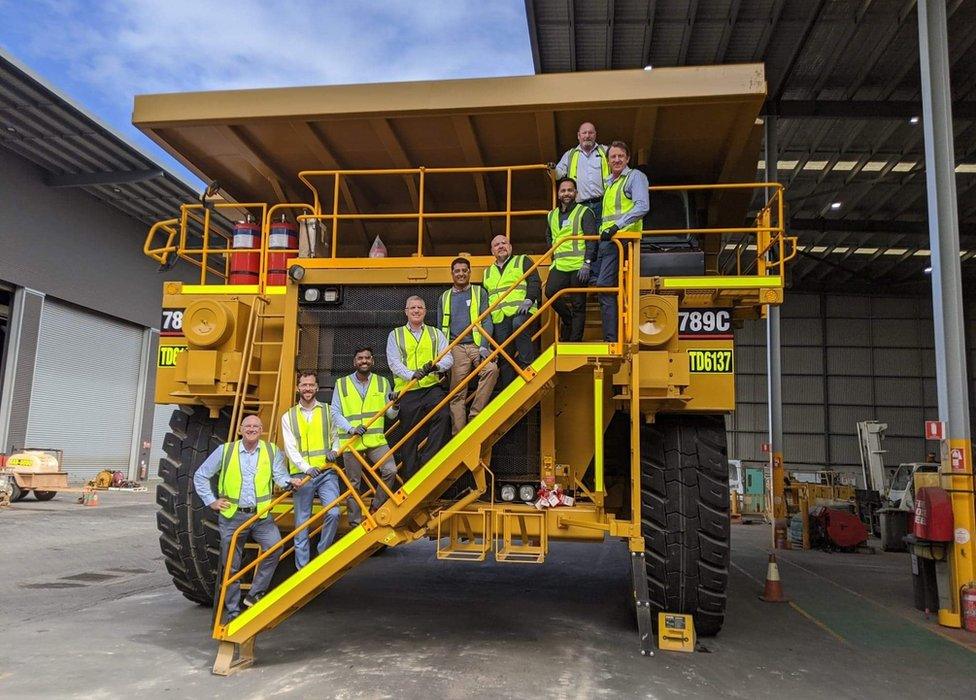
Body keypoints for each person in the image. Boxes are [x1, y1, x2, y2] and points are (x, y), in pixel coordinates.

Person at [192, 414, 290, 622]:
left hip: (261, 515)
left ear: (261, 430)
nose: (252, 429)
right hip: (232, 516)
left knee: (275, 547)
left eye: (256, 426)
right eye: (248, 426)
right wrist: (211, 501)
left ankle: (255, 593)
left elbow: (280, 477)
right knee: (231, 565)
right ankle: (233, 611)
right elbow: (201, 475)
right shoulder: (225, 451)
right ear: (240, 429)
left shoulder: (272, 451)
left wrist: (291, 481)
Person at [386, 296, 454, 480]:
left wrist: (437, 367)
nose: (416, 310)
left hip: (431, 386)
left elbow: (448, 358)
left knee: (444, 415)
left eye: (420, 307)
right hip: (408, 390)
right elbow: (393, 362)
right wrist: (411, 375)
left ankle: (427, 462)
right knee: (409, 434)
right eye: (412, 308)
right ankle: (410, 475)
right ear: (406, 311)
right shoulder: (395, 334)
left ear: (425, 311)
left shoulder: (436, 334)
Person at [331, 346, 400, 524]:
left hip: (375, 440)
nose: (364, 361)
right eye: (360, 358)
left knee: (390, 470)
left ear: (373, 361)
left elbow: (390, 415)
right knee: (353, 484)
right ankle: (355, 523)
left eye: (367, 358)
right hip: (351, 441)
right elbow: (335, 413)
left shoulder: (382, 382)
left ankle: (376, 507)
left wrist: (395, 404)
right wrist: (351, 429)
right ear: (355, 362)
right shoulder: (342, 383)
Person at [280, 371, 341, 570]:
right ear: (298, 388)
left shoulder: (328, 411)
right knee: (302, 523)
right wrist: (306, 469)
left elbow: (336, 436)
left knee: (333, 512)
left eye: (311, 385)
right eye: (304, 385)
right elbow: (290, 449)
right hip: (301, 475)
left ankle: (322, 554)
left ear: (317, 388)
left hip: (326, 472)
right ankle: (303, 569)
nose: (307, 389)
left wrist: (334, 450)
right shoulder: (288, 416)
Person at [596, 140, 649, 342]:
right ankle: (612, 335)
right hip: (609, 241)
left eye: (620, 156)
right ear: (608, 161)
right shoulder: (610, 183)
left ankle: (612, 339)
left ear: (627, 158)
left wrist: (617, 226)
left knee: (605, 286)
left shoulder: (635, 177)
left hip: (623, 240)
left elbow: (642, 206)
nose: (617, 160)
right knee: (601, 285)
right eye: (613, 157)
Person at [438, 257, 499, 433]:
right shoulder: (445, 297)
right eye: (457, 271)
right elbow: (441, 325)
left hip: (476, 345)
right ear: (452, 274)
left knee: (491, 370)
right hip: (455, 347)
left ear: (469, 272)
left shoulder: (479, 292)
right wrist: (444, 354)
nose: (461, 274)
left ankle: (475, 415)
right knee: (456, 392)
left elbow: (486, 320)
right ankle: (460, 435)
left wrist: (484, 345)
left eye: (464, 270)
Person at [482, 235, 541, 387]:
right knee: (504, 354)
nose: (501, 246)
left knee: (518, 324)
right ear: (492, 251)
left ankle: (526, 367)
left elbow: (534, 280)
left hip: (522, 311)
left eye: (504, 243)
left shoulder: (522, 260)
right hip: (499, 318)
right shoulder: (487, 272)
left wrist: (529, 299)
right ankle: (508, 388)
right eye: (497, 245)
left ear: (510, 246)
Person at [545, 177, 599, 342]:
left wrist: (587, 263)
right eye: (563, 190)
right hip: (559, 265)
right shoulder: (551, 215)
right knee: (550, 292)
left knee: (578, 304)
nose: (566, 193)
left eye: (570, 190)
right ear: (559, 194)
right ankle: (568, 320)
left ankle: (575, 340)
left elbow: (591, 239)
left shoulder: (584, 212)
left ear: (575, 193)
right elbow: (549, 235)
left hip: (578, 266)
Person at [553, 121, 609, 220]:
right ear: (578, 136)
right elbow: (557, 175)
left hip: (604, 203)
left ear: (595, 135)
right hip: (580, 206)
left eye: (591, 133)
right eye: (584, 133)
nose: (587, 136)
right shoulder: (570, 155)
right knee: (584, 234)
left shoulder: (606, 151)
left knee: (604, 234)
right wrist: (552, 169)